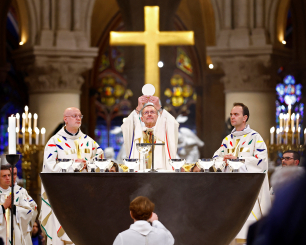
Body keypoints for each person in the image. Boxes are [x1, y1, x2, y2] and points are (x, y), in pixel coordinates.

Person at [40, 107, 104, 245]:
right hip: (62, 197)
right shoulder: (54, 142)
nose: (78, 118)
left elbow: (101, 161)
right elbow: (50, 167)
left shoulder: (90, 142)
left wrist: (88, 164)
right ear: (65, 119)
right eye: (74, 116)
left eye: (80, 116)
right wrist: (73, 164)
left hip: (85, 197)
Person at [213, 103, 271, 243]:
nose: (232, 117)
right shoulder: (227, 140)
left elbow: (262, 163)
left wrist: (239, 160)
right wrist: (224, 161)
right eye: (231, 114)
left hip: (249, 193)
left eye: (236, 114)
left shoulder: (256, 138)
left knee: (247, 233)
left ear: (245, 117)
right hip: (230, 194)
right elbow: (215, 160)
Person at [121, 95, 179, 170]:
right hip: (140, 173)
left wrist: (159, 108)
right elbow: (126, 126)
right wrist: (138, 108)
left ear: (158, 116)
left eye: (152, 112)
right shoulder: (137, 133)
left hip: (160, 174)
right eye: (146, 112)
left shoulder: (164, 133)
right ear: (141, 119)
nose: (149, 114)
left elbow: (173, 124)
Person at [0, 165, 35, 245]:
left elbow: (29, 211)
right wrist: (4, 206)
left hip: (16, 235)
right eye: (4, 176)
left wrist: (14, 208)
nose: (8, 178)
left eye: (9, 175)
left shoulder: (19, 193)